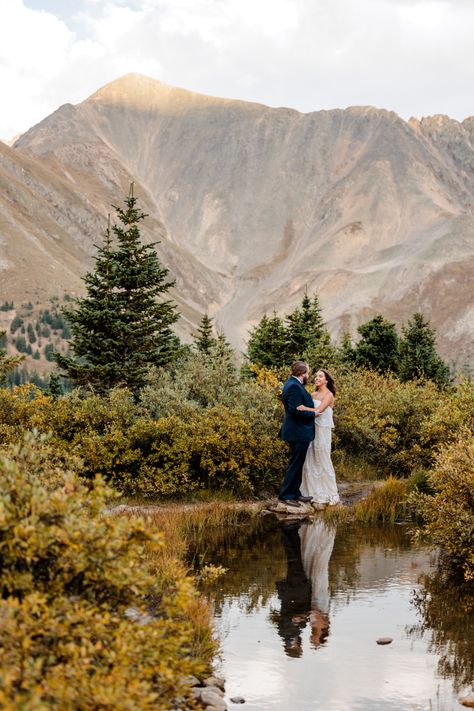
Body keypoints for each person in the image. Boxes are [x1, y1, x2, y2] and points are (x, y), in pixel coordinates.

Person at [297, 369, 340, 505]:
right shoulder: (313, 394)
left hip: (322, 431)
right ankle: (310, 492)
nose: (317, 378)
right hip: (311, 429)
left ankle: (329, 493)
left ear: (326, 380)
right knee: (310, 458)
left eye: (320, 376)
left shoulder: (329, 395)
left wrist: (303, 408)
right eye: (316, 376)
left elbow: (319, 411)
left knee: (322, 458)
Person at [278, 361, 315, 507]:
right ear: (302, 373)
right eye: (307, 373)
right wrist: (314, 413)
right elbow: (295, 409)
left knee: (298, 464)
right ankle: (285, 495)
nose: (308, 376)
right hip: (297, 432)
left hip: (298, 431)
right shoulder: (294, 386)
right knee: (295, 464)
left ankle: (295, 493)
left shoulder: (293, 384)